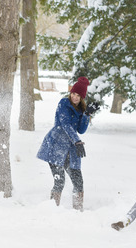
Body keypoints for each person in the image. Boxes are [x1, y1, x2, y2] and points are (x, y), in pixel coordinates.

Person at [37, 77, 99, 211]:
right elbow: (65, 124)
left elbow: (81, 130)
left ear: (82, 97)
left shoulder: (81, 109)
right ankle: (52, 209)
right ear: (70, 92)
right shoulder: (64, 103)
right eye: (73, 94)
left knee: (78, 181)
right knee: (59, 181)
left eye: (78, 95)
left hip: (71, 149)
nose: (75, 97)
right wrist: (77, 141)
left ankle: (77, 211)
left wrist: (87, 114)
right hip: (56, 146)